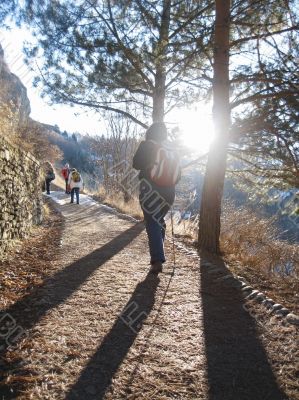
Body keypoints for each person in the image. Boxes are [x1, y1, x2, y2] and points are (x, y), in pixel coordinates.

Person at [133, 122, 180, 274]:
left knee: (152, 221)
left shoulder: (147, 145)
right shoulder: (171, 149)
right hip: (170, 192)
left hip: (150, 189)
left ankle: (157, 260)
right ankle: (158, 254)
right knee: (159, 221)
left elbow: (136, 164)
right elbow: (178, 175)